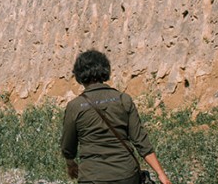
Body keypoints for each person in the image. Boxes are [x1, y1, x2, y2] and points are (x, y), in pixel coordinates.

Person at [61, 49, 172, 184]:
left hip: (92, 176)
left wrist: (70, 162)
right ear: (105, 71)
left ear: (79, 75)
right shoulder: (123, 99)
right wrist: (161, 174)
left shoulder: (75, 106)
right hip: (126, 174)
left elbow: (68, 145)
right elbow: (141, 142)